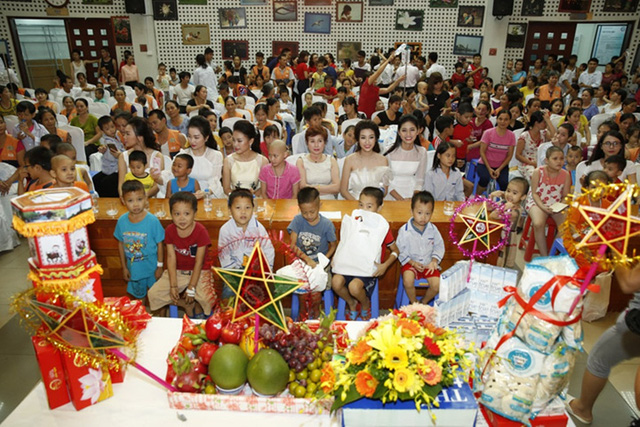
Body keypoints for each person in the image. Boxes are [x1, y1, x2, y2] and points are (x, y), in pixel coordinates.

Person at [566, 262, 640, 425]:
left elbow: (630, 283)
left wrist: (616, 256)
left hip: (636, 322)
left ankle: (582, 408)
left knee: (599, 358)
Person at [331, 187, 397, 320]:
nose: (364, 209)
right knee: (336, 282)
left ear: (379, 207)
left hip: (366, 269)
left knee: (354, 287)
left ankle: (366, 304)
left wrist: (384, 266)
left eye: (369, 206)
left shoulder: (381, 227)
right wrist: (336, 258)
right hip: (347, 265)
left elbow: (396, 250)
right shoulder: (354, 221)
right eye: (361, 204)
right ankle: (352, 303)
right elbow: (345, 243)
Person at [147, 191, 215, 317]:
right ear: (171, 214)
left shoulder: (201, 231)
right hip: (178, 271)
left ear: (195, 213)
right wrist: (173, 286)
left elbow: (199, 263)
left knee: (206, 299)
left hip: (199, 272)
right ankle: (184, 304)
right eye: (177, 214)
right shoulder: (169, 230)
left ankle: (199, 313)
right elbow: (171, 259)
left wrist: (191, 287)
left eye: (187, 213)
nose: (182, 218)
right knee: (154, 293)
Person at [287, 186, 337, 319]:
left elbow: (333, 245)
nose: (308, 216)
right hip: (302, 262)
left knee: (315, 293)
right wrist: (306, 259)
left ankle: (315, 316)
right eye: (304, 212)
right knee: (303, 292)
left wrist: (323, 261)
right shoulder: (298, 221)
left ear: (320, 205)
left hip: (320, 264)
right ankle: (303, 316)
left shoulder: (326, 225)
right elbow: (292, 245)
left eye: (312, 212)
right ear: (299, 208)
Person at [217, 188, 275, 301]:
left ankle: (260, 317)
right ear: (230, 210)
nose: (243, 212)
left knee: (267, 293)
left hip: (257, 271)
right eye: (238, 208)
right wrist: (235, 275)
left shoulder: (259, 228)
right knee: (228, 292)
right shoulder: (225, 230)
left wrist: (265, 272)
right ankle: (228, 316)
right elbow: (224, 255)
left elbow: (268, 250)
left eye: (247, 208)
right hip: (235, 272)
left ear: (253, 209)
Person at [114, 180, 164, 300]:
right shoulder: (121, 221)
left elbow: (160, 244)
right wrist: (124, 267)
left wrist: (160, 266)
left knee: (156, 298)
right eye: (130, 201)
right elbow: (120, 244)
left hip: (152, 269)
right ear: (123, 201)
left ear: (146, 198)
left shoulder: (153, 221)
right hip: (134, 271)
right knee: (138, 299)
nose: (136, 204)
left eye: (139, 199)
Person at [397, 191, 444, 304]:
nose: (423, 217)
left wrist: (434, 261)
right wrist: (412, 263)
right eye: (419, 212)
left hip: (429, 264)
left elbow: (439, 246)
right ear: (412, 211)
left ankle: (423, 302)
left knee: (437, 285)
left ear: (432, 213)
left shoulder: (433, 229)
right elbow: (400, 251)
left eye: (427, 213)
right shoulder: (405, 231)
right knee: (408, 281)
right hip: (411, 264)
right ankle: (414, 303)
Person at [525, 146, 570, 257]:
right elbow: (534, 193)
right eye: (555, 159)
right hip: (537, 202)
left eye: (561, 158)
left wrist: (560, 206)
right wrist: (543, 207)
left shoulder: (566, 174)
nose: (559, 161)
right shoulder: (538, 172)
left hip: (555, 204)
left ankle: (552, 253)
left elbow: (565, 196)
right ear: (546, 160)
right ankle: (544, 255)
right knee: (538, 223)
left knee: (567, 225)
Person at [168, 116, 223, 198]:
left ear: (206, 138)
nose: (192, 141)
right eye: (189, 136)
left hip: (209, 198)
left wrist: (205, 193)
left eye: (196, 137)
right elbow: (171, 175)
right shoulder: (182, 154)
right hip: (186, 198)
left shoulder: (215, 155)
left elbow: (216, 182)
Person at [340, 120, 390, 200]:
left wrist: (372, 204)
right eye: (363, 137)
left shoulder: (383, 160)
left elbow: (384, 190)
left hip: (375, 204)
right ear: (358, 139)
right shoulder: (349, 160)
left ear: (376, 138)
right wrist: (359, 204)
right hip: (354, 203)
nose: (367, 142)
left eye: (371, 137)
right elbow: (343, 191)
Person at [384, 114, 428, 200]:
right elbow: (386, 181)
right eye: (404, 130)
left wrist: (413, 198)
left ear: (418, 131)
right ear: (399, 132)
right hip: (392, 195)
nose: (408, 134)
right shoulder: (388, 151)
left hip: (412, 194)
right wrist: (401, 199)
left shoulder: (422, 152)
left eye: (412, 130)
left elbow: (420, 180)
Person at [117, 117, 163, 197]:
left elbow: (157, 186)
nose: (124, 137)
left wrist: (141, 198)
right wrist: (124, 198)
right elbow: (121, 184)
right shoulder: (123, 156)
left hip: (151, 200)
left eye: (128, 134)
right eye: (124, 134)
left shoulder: (157, 156)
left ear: (140, 138)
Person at [489, 177, 529, 268]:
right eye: (508, 190)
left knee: (501, 260)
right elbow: (488, 208)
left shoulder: (516, 211)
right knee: (493, 258)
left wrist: (503, 207)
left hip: (506, 239)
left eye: (514, 193)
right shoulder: (503, 202)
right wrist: (492, 196)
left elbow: (493, 215)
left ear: (523, 197)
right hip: (497, 234)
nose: (510, 195)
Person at [222, 120, 268, 195]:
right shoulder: (228, 160)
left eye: (239, 141)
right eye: (234, 140)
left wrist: (253, 195)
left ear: (251, 141)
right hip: (235, 201)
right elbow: (226, 188)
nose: (235, 144)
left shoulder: (262, 161)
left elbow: (265, 187)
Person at [477, 109, 516, 194]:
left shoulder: (511, 135)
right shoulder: (488, 133)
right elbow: (482, 152)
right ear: (497, 119)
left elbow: (509, 155)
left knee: (504, 183)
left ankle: (502, 204)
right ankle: (476, 199)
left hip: (501, 166)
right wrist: (489, 168)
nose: (503, 122)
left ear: (510, 121)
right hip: (485, 164)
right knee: (484, 178)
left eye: (506, 119)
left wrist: (499, 169)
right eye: (500, 119)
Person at [296, 126, 340, 200]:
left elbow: (337, 188)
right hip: (308, 200)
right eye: (312, 141)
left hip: (329, 201)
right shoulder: (301, 161)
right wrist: (327, 189)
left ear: (325, 143)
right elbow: (302, 186)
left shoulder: (332, 160)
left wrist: (313, 188)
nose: (316, 145)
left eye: (320, 141)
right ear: (307, 143)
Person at [358, 53, 405, 120]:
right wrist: (388, 60)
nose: (376, 78)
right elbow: (378, 72)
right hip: (363, 116)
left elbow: (387, 90)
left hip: (372, 116)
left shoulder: (375, 89)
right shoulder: (366, 85)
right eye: (373, 77)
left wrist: (398, 81)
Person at [516, 110, 554, 181]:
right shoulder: (524, 136)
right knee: (535, 176)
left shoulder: (544, 133)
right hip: (527, 163)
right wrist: (532, 163)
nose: (546, 124)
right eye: (544, 122)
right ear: (536, 123)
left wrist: (548, 121)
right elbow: (518, 155)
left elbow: (554, 137)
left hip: (540, 162)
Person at [92, 115, 124, 197]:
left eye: (112, 127)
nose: (111, 130)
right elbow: (112, 156)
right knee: (95, 179)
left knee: (106, 182)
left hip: (117, 168)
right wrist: (105, 152)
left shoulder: (118, 136)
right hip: (111, 167)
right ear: (102, 131)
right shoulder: (108, 141)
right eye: (107, 129)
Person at [0, 114, 24, 193]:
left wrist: (8, 182)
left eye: (1, 122)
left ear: (5, 124)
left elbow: (23, 166)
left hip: (14, 182)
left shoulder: (16, 143)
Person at [451, 102, 474, 171]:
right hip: (452, 156)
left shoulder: (471, 125)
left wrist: (470, 140)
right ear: (458, 115)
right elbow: (443, 139)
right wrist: (453, 142)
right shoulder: (452, 126)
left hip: (464, 156)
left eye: (471, 117)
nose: (469, 119)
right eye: (466, 117)